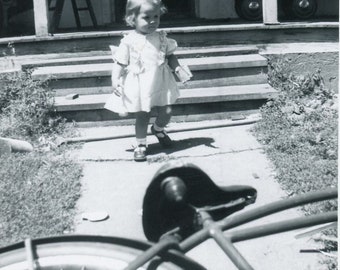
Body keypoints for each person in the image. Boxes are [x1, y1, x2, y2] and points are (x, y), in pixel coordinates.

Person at [105, 0, 192, 162]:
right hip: (140, 84)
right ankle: (141, 144)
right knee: (142, 115)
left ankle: (158, 129)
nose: (152, 21)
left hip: (161, 81)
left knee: (166, 112)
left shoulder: (161, 37)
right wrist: (115, 79)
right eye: (146, 17)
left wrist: (178, 69)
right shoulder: (129, 41)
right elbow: (120, 63)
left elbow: (170, 56)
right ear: (132, 19)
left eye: (156, 16)